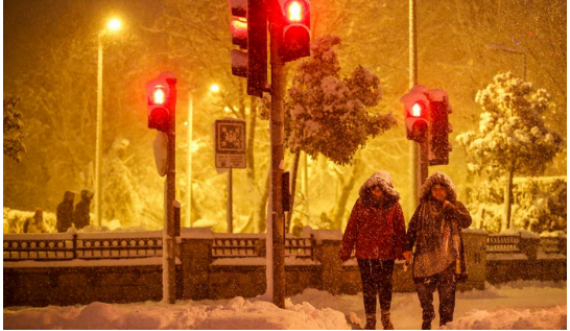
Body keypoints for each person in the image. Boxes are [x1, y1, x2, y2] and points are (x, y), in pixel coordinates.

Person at [402, 172, 472, 330]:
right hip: (425, 260)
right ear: (429, 191)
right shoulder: (423, 208)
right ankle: (428, 314)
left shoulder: (456, 206)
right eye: (435, 189)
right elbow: (412, 229)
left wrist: (451, 210)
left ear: (448, 190)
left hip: (448, 261)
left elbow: (467, 221)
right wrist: (407, 247)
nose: (438, 192)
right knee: (423, 292)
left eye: (442, 188)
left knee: (447, 302)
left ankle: (445, 326)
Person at [339, 171, 406, 330]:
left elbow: (400, 230)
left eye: (380, 189)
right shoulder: (361, 204)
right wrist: (346, 249)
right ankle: (370, 320)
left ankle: (385, 317)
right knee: (368, 287)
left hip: (386, 253)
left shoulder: (394, 206)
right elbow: (352, 228)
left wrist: (402, 251)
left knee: (385, 286)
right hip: (365, 253)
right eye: (374, 189)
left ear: (386, 190)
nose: (377, 192)